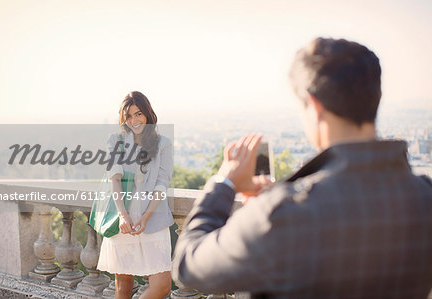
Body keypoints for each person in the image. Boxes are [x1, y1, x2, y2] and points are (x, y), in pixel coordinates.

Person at [172, 38, 432, 298]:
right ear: (376, 98)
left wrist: (224, 182)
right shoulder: (424, 196)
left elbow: (188, 265)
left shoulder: (284, 214)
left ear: (315, 106)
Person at [97, 91, 174, 299]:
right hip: (124, 217)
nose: (134, 120)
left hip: (153, 216)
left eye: (138, 114)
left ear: (148, 114)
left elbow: (162, 183)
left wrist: (146, 217)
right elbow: (114, 178)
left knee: (162, 284)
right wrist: (122, 215)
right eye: (128, 116)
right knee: (123, 284)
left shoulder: (163, 143)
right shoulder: (116, 141)